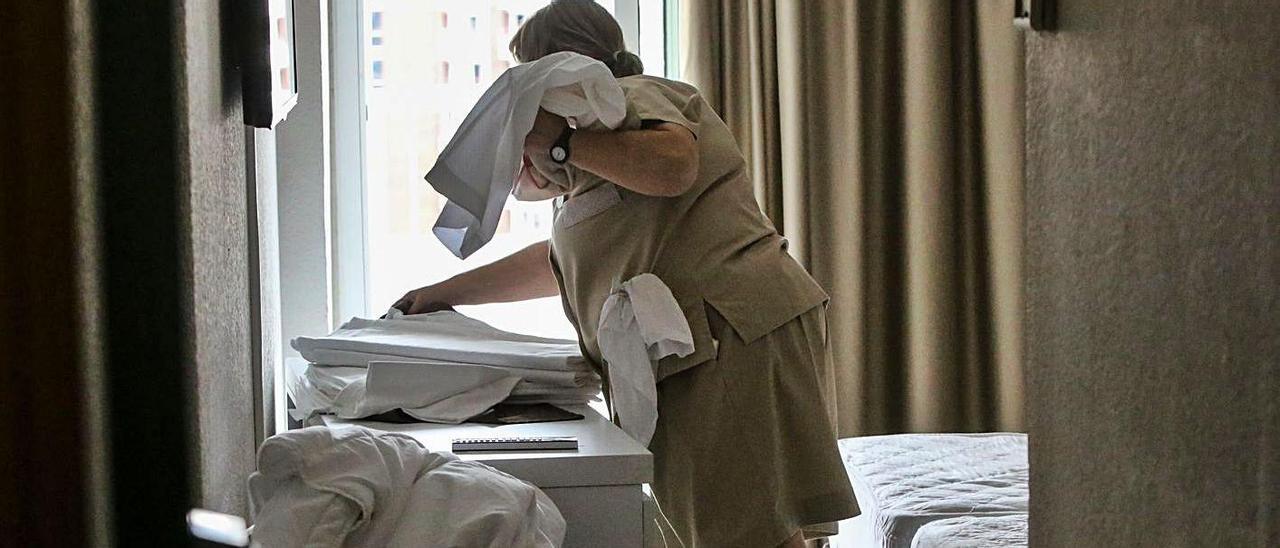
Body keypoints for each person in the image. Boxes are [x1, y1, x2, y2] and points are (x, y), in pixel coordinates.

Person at [394, 1, 858, 546]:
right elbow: (559, 262)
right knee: (741, 527)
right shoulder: (600, 152)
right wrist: (442, 293)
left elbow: (673, 166)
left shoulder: (640, 97)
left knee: (742, 531)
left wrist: (560, 142)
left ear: (560, 67)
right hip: (715, 338)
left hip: (728, 332)